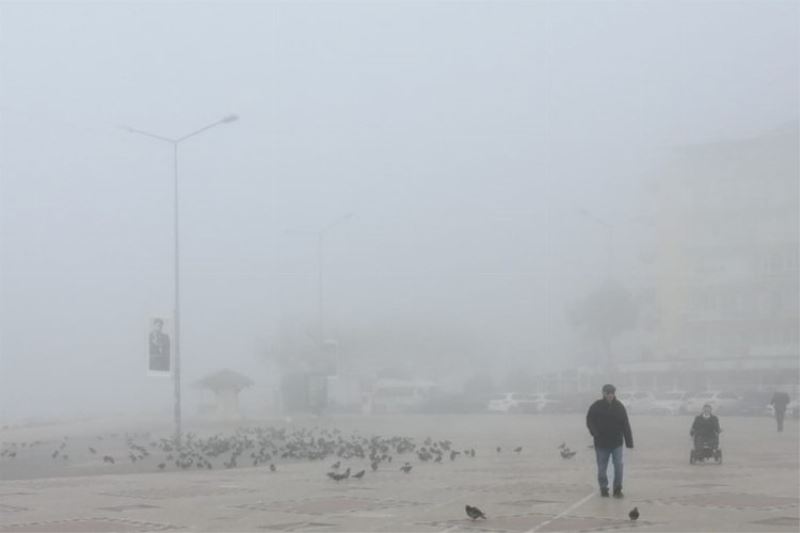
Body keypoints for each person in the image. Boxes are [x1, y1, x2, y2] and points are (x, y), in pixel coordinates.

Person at [586, 384, 633, 498]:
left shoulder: (619, 407)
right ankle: (603, 488)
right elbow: (589, 420)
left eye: (612, 393)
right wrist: (595, 433)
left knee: (618, 466)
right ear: (603, 393)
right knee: (602, 468)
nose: (610, 395)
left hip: (616, 443)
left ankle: (617, 489)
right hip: (601, 444)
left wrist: (629, 441)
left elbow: (625, 424)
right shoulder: (596, 406)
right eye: (608, 393)